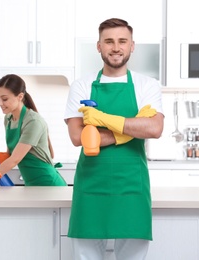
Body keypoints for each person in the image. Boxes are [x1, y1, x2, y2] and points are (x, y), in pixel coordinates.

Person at [64, 18, 164, 260]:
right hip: (91, 186)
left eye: (122, 41)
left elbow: (154, 128)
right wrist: (130, 127)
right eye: (109, 41)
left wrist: (100, 121)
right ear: (99, 46)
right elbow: (79, 137)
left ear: (132, 46)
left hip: (132, 186)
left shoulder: (147, 85)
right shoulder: (81, 86)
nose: (116, 47)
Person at [0, 74, 66, 187]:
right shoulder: (8, 119)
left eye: (4, 99)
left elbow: (15, 159)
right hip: (31, 186)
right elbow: (12, 155)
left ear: (20, 96)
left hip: (49, 185)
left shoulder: (33, 121)